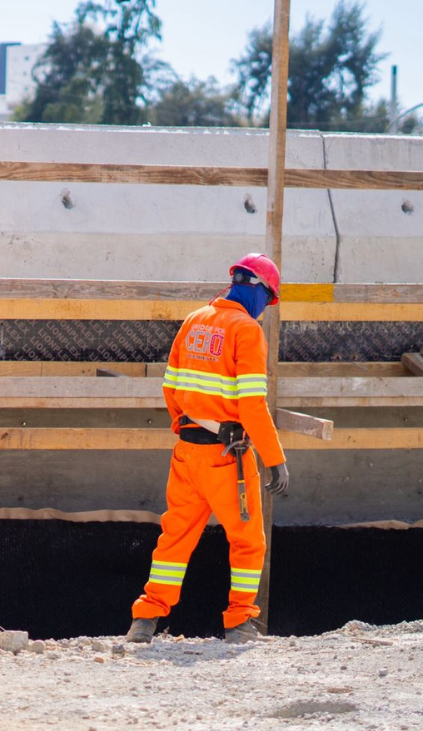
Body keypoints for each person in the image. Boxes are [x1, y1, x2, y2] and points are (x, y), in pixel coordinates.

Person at [127, 253, 290, 645]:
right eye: (267, 303)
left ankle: (146, 618)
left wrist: (186, 425)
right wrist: (275, 459)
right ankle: (239, 623)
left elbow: (170, 387)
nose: (265, 312)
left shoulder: (194, 320)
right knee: (249, 539)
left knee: (175, 537)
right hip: (226, 458)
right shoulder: (246, 331)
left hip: (186, 453)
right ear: (259, 290)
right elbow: (252, 405)